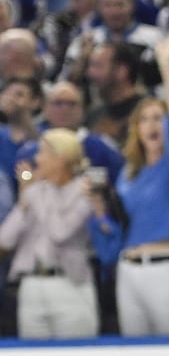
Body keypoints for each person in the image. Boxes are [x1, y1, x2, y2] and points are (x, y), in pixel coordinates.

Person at [88, 32, 169, 336]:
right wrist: (100, 211)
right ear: (136, 129)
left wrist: (166, 63)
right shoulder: (129, 172)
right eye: (145, 120)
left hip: (168, 267)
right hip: (128, 269)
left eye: (158, 118)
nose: (152, 125)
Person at [0, 128, 97, 338]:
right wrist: (26, 200)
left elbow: (59, 233)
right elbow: (5, 239)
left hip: (69, 285)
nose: (37, 159)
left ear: (61, 158)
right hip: (31, 287)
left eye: (42, 153)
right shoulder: (34, 192)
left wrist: (37, 194)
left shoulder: (85, 190)